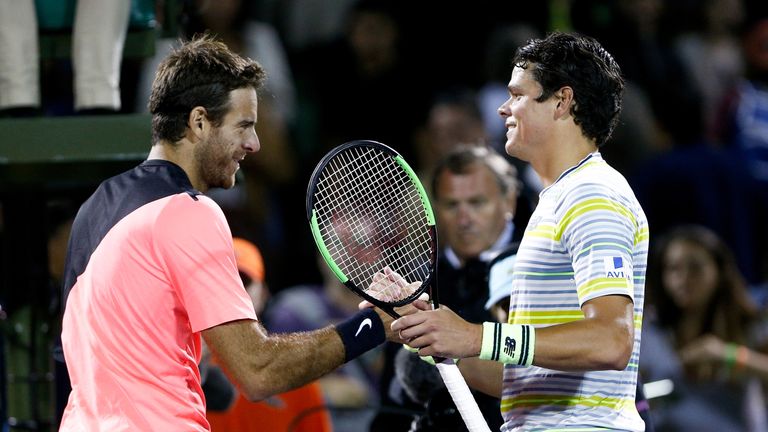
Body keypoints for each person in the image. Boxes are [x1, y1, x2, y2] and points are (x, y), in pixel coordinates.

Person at [57, 35, 409, 431]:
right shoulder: (187, 213)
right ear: (199, 122)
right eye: (244, 126)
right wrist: (373, 325)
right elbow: (259, 371)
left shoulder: (94, 209)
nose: (254, 144)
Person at [392, 31, 649, 431]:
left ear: (562, 102)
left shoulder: (592, 195)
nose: (502, 108)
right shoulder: (562, 197)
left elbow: (610, 341)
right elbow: (520, 382)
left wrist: (477, 336)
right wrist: (425, 331)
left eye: (518, 95)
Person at [372, 145, 521, 431]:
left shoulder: (541, 267)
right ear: (436, 208)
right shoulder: (413, 282)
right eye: (452, 205)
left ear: (509, 201)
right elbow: (393, 398)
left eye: (477, 203)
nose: (464, 219)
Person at [640, 225, 768, 431]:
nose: (682, 278)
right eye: (673, 268)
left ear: (719, 270)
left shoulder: (749, 324)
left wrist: (728, 355)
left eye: (695, 267)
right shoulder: (650, 332)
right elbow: (639, 400)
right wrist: (651, 399)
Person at [206, 237, 333, 432]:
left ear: (263, 294)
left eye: (242, 282)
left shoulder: (294, 371)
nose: (230, 293)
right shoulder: (177, 365)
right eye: (221, 282)